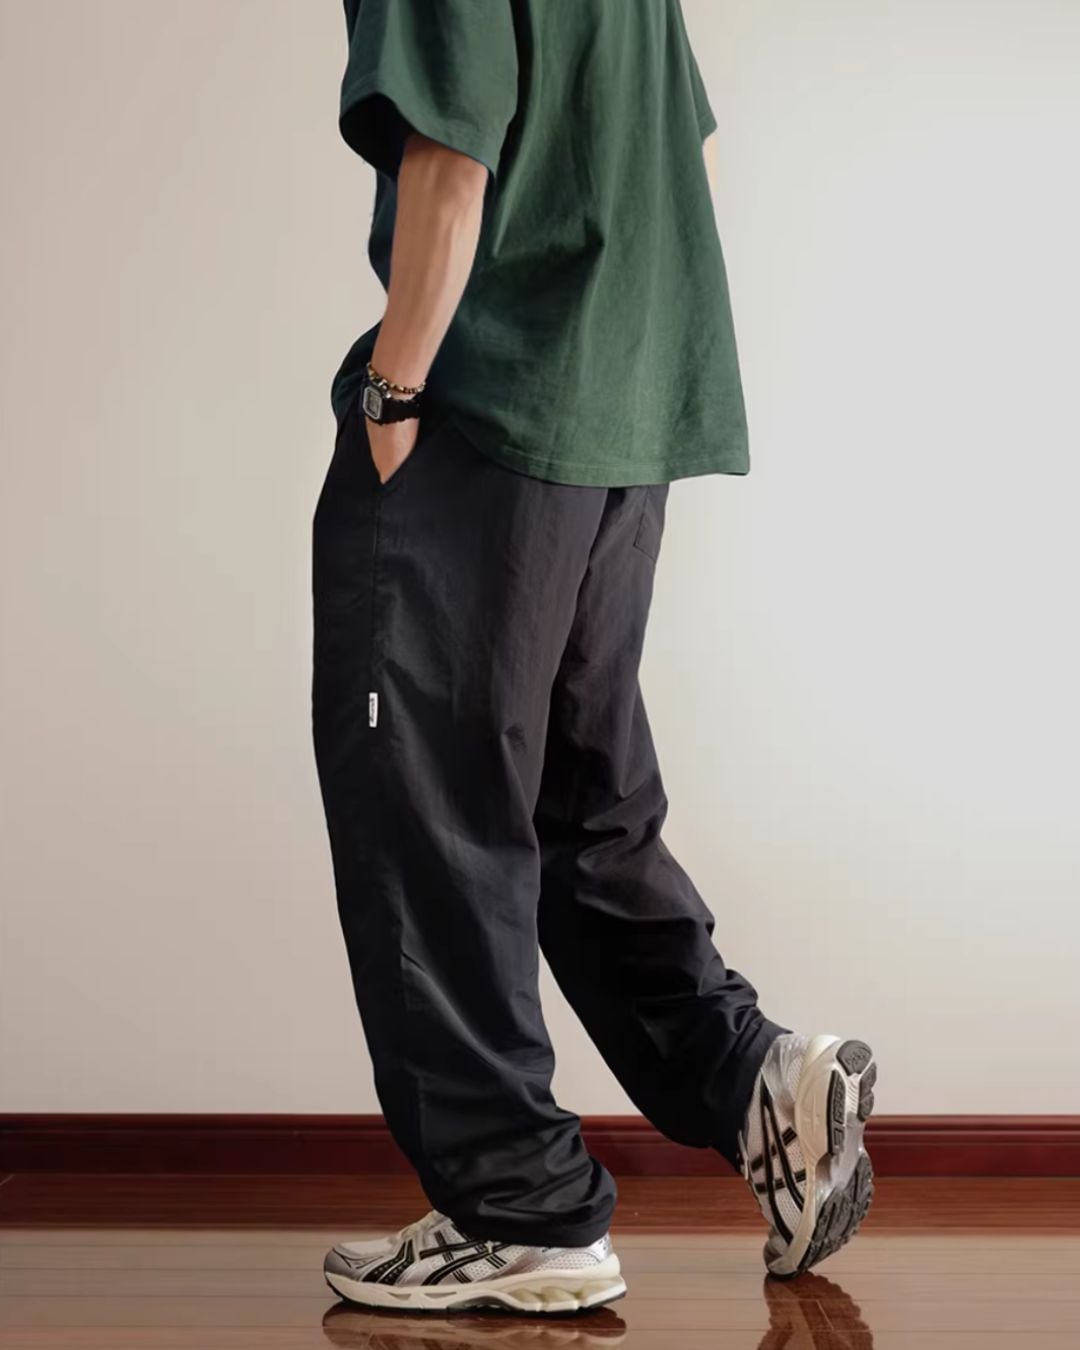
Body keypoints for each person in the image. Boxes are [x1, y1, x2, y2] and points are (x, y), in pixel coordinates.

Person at [313, 0, 876, 1316]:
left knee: (429, 806)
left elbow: (451, 158)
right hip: (620, 409)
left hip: (489, 411)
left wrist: (395, 388)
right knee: (581, 802)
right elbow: (691, 151)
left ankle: (518, 1208)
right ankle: (756, 1082)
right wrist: (618, 361)